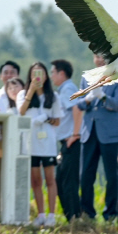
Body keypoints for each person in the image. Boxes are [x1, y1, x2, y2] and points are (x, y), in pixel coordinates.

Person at [76, 54, 118, 221]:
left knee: (111, 175)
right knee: (85, 175)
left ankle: (111, 213)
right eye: (97, 56)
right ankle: (87, 212)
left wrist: (103, 97)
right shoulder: (87, 77)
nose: (100, 60)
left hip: (110, 133)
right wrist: (89, 99)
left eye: (103, 57)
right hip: (89, 131)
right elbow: (79, 103)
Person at [17, 62, 63, 227]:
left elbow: (57, 120)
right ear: (30, 75)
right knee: (35, 180)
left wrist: (45, 119)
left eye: (42, 73)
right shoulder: (23, 94)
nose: (38, 77)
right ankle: (40, 214)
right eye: (35, 73)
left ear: (46, 76)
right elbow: (21, 112)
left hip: (48, 144)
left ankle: (52, 215)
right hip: (31, 144)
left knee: (50, 179)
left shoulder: (54, 96)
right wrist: (30, 91)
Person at [50, 59, 81, 222]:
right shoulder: (63, 90)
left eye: (53, 72)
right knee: (62, 181)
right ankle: (72, 216)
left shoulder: (68, 88)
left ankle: (75, 217)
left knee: (67, 182)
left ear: (62, 73)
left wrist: (75, 135)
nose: (51, 76)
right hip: (66, 142)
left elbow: (77, 108)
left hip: (71, 141)